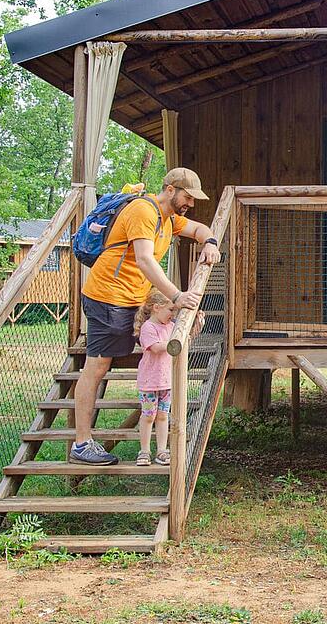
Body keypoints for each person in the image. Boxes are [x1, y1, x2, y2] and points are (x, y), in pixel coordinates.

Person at [70, 168, 220, 465]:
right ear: (169, 189)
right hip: (107, 298)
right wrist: (177, 296)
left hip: (135, 300)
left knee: (155, 346)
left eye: (193, 198)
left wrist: (210, 243)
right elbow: (144, 260)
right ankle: (81, 443)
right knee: (97, 367)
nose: (190, 203)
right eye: (187, 196)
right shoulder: (143, 210)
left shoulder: (169, 220)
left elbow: (199, 229)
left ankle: (153, 433)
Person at [133, 289, 204, 467]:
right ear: (156, 308)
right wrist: (174, 342)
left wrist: (196, 326)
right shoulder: (148, 327)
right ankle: (144, 450)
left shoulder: (171, 326)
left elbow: (183, 341)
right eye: (171, 310)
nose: (173, 314)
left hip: (167, 381)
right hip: (150, 382)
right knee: (148, 416)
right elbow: (156, 348)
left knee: (163, 416)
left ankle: (162, 450)